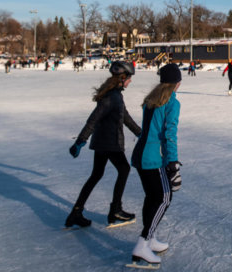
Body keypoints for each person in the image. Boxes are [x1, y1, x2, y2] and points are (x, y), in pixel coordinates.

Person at [65, 61, 142, 229]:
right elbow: (93, 119)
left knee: (96, 175)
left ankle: (76, 212)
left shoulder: (115, 95)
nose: (130, 81)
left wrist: (140, 133)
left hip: (103, 142)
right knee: (124, 169)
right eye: (129, 78)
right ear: (122, 78)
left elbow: (125, 117)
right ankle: (115, 210)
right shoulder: (111, 97)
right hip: (110, 143)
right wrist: (80, 141)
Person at [128, 63, 182, 269]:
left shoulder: (152, 99)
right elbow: (169, 135)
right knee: (164, 198)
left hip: (140, 154)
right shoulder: (171, 102)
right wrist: (173, 164)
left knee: (152, 197)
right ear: (177, 83)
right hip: (152, 158)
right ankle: (143, 243)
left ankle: (150, 239)